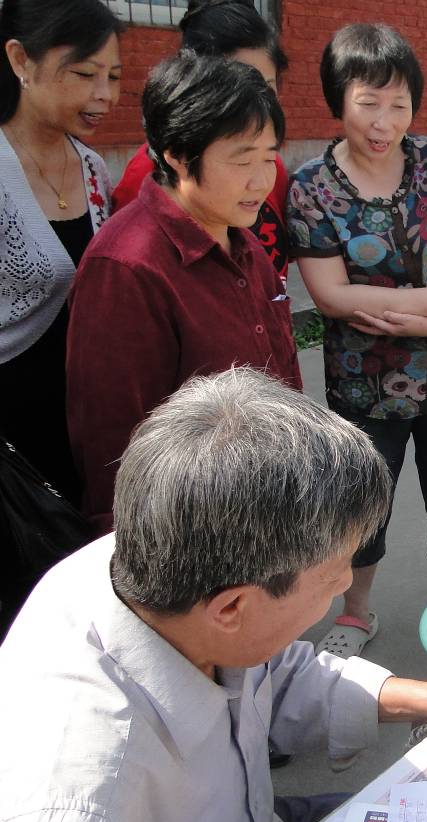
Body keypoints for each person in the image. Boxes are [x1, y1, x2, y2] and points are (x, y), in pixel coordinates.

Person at [0, 367, 427, 822]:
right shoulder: (70, 806)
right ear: (232, 608)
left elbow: (272, 670)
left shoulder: (159, 560)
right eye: (332, 574)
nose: (346, 585)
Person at [287, 23, 427, 659]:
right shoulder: (312, 188)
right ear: (338, 100)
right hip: (365, 382)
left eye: (399, 104)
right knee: (362, 504)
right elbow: (333, 295)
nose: (384, 123)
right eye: (368, 103)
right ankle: (356, 613)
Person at [66, 51, 300, 532]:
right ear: (176, 154)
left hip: (267, 509)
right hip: (192, 530)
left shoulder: (244, 241)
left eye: (269, 157)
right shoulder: (127, 267)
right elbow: (113, 444)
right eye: (242, 159)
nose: (262, 181)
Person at [0, 0, 122, 505]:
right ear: (20, 60)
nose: (104, 95)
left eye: (113, 77)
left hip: (76, 423)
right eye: (85, 74)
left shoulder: (94, 170)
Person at [111, 0, 291, 285]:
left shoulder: (270, 167)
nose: (254, 103)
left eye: (265, 87)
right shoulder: (151, 177)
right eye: (236, 86)